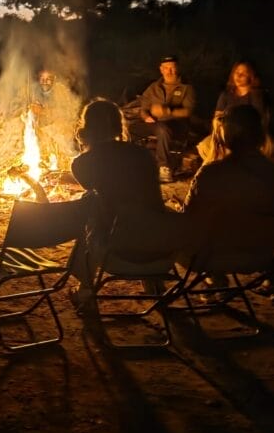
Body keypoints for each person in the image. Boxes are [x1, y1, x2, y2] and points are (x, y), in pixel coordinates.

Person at [67, 98, 190, 310]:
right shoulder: (143, 155)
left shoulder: (82, 163)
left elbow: (92, 185)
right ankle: (154, 283)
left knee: (90, 205)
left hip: (120, 251)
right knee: (145, 209)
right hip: (161, 248)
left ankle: (85, 289)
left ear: (86, 128)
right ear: (118, 126)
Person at [183, 105, 274, 269]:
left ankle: (214, 278)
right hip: (260, 257)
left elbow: (187, 221)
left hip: (211, 257)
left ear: (226, 133)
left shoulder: (211, 174)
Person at [127, 55, 196, 183]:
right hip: (154, 124)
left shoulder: (186, 88)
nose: (169, 71)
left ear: (177, 69)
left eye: (172, 68)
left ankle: (164, 167)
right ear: (161, 69)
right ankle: (129, 164)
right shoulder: (154, 87)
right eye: (166, 68)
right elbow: (144, 109)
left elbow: (188, 111)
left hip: (176, 125)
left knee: (163, 129)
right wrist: (146, 116)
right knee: (129, 129)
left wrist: (168, 110)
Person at [197, 61, 270, 164]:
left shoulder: (256, 95)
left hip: (247, 136)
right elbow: (217, 117)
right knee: (205, 146)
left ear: (251, 76)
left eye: (243, 73)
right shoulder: (226, 95)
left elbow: (258, 120)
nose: (238, 75)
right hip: (226, 134)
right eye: (236, 72)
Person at [27, 67, 80, 165]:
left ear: (53, 79)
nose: (45, 82)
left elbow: (66, 114)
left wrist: (44, 111)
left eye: (48, 79)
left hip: (63, 136)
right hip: (44, 135)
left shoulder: (61, 91)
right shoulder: (36, 92)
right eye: (42, 79)